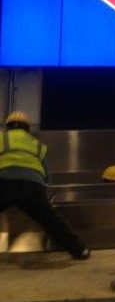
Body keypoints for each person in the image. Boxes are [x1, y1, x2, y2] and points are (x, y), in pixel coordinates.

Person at [0, 111, 89, 260]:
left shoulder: (1, 139)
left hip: (3, 183)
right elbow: (47, 176)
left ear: (7, 126)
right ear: (28, 128)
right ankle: (80, 251)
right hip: (32, 186)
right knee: (51, 221)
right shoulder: (37, 144)